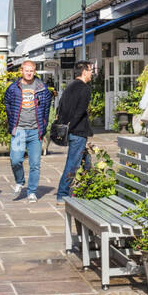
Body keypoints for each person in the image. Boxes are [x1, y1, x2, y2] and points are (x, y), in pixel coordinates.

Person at [4, 59, 51, 202]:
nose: (29, 73)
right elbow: (8, 104)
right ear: (21, 71)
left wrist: (43, 125)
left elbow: (46, 109)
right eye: (26, 70)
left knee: (35, 164)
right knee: (15, 160)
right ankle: (20, 181)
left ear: (34, 72)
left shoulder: (42, 88)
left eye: (31, 71)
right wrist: (13, 122)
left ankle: (31, 191)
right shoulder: (13, 88)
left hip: (35, 131)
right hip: (19, 131)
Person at [55, 61, 96, 201]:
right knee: (73, 164)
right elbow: (79, 112)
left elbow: (60, 108)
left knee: (86, 160)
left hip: (72, 131)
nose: (92, 73)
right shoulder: (85, 88)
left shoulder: (69, 87)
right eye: (90, 70)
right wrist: (70, 126)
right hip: (78, 132)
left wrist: (65, 126)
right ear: (84, 72)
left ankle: (90, 186)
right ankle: (62, 194)